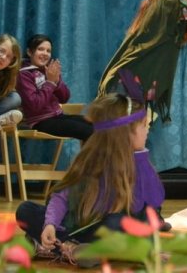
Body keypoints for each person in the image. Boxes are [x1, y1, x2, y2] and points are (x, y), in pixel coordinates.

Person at [15, 91, 166, 266]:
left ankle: (61, 248)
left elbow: (150, 211)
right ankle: (75, 248)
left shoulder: (141, 164)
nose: (147, 130)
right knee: (25, 210)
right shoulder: (91, 159)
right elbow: (61, 197)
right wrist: (50, 225)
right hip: (81, 229)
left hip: (110, 231)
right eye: (143, 126)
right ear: (125, 132)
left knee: (117, 222)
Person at [16, 34, 93, 141]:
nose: (45, 53)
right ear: (29, 52)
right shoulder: (24, 74)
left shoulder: (50, 70)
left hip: (58, 116)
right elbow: (35, 105)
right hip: (40, 122)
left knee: (97, 125)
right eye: (40, 49)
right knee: (89, 131)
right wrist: (50, 82)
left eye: (48, 51)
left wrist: (57, 80)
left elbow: (64, 98)